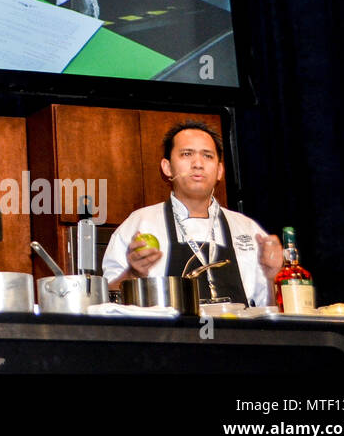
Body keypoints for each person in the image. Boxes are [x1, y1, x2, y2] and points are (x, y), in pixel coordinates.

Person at [101, 121, 284, 307]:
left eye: (207, 156)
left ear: (220, 170)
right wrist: (134, 273)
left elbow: (268, 311)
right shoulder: (140, 224)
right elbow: (107, 300)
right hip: (167, 336)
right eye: (187, 154)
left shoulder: (248, 229)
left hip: (236, 336)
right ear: (167, 167)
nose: (198, 164)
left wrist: (270, 278)